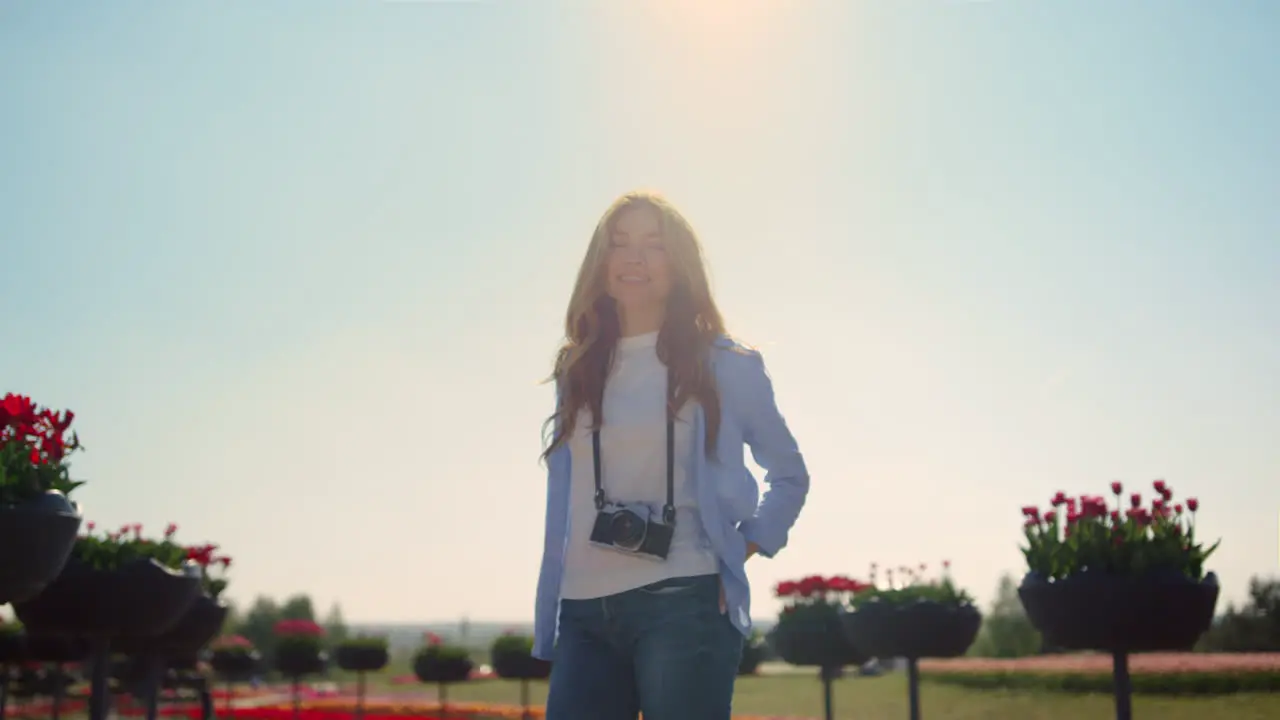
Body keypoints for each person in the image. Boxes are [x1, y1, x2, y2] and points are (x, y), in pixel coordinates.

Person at [532, 190, 810, 720]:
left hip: (685, 601)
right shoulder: (579, 367)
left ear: (679, 264)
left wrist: (743, 546)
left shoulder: (727, 365)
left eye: (654, 246)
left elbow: (790, 476)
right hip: (584, 610)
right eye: (619, 244)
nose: (634, 258)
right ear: (601, 261)